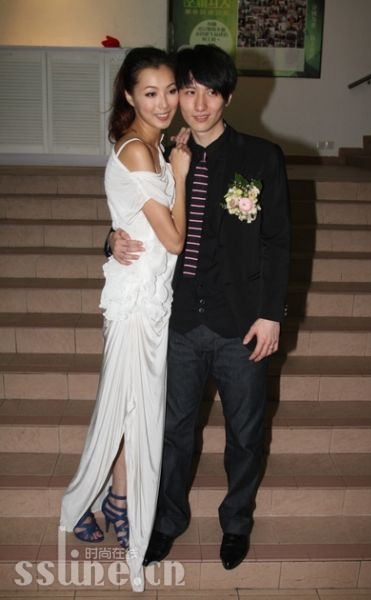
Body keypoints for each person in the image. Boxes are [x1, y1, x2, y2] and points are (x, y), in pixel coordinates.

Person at [108, 44, 290, 572]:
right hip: (178, 320)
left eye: (212, 92)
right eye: (189, 91)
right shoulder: (160, 152)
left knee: (246, 434)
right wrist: (110, 240)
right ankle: (168, 522)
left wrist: (272, 314)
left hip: (241, 325)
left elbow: (278, 241)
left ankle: (236, 523)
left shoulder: (261, 157)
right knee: (173, 433)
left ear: (228, 96)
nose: (200, 104)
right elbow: (133, 213)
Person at [60, 46, 190, 592]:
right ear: (130, 96)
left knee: (135, 410)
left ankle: (116, 500)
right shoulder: (140, 150)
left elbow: (133, 221)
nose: (164, 103)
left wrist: (113, 236)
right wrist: (179, 174)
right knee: (122, 410)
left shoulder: (154, 145)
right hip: (135, 305)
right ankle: (79, 505)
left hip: (153, 300)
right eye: (150, 93)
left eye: (170, 90)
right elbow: (174, 239)